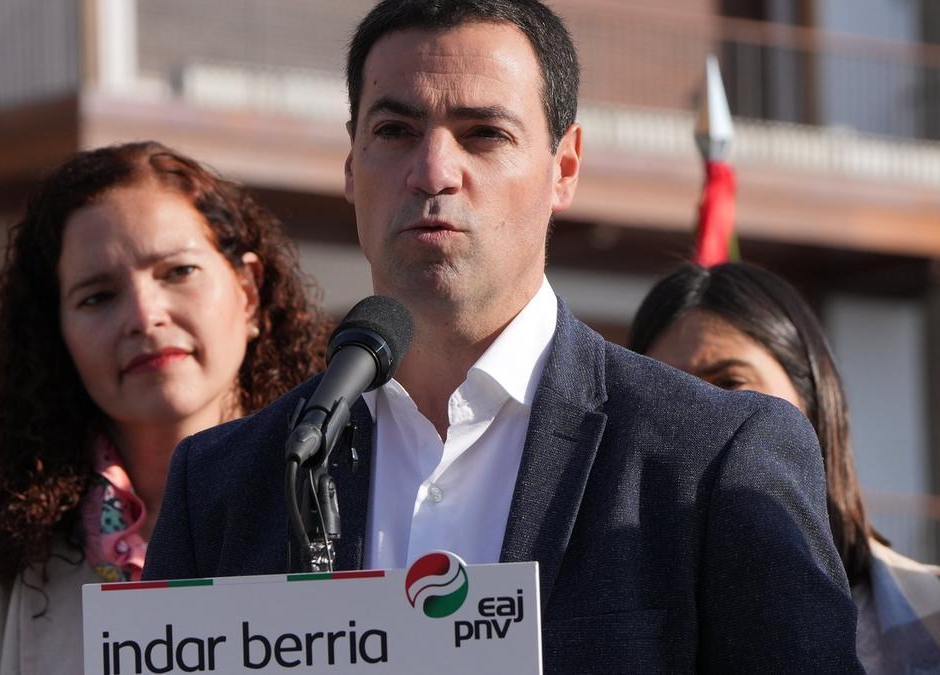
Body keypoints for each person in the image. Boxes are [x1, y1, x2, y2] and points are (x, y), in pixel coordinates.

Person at [143, 0, 863, 670]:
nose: (433, 171)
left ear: (565, 167)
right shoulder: (223, 482)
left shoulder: (712, 457)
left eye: (484, 133)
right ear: (350, 164)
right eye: (394, 131)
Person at [0, 141, 328, 673]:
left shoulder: (355, 496)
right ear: (57, 340)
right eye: (97, 296)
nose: (145, 316)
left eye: (177, 272)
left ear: (249, 293)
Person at [630, 260, 940, 674]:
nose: (699, 420)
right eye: (668, 391)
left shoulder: (930, 614)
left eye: (729, 386)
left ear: (812, 402)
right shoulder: (591, 619)